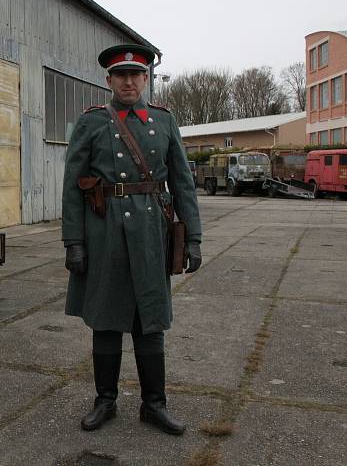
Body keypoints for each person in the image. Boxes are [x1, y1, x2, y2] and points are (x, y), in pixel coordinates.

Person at [61, 45, 202, 435]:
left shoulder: (163, 121)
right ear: (108, 80)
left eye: (135, 75)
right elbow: (73, 185)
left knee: (150, 319)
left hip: (151, 234)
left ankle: (154, 405)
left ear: (145, 80)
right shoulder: (91, 123)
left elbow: (183, 184)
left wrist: (193, 238)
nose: (128, 81)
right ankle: (104, 402)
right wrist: (73, 240)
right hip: (103, 233)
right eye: (120, 75)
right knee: (105, 319)